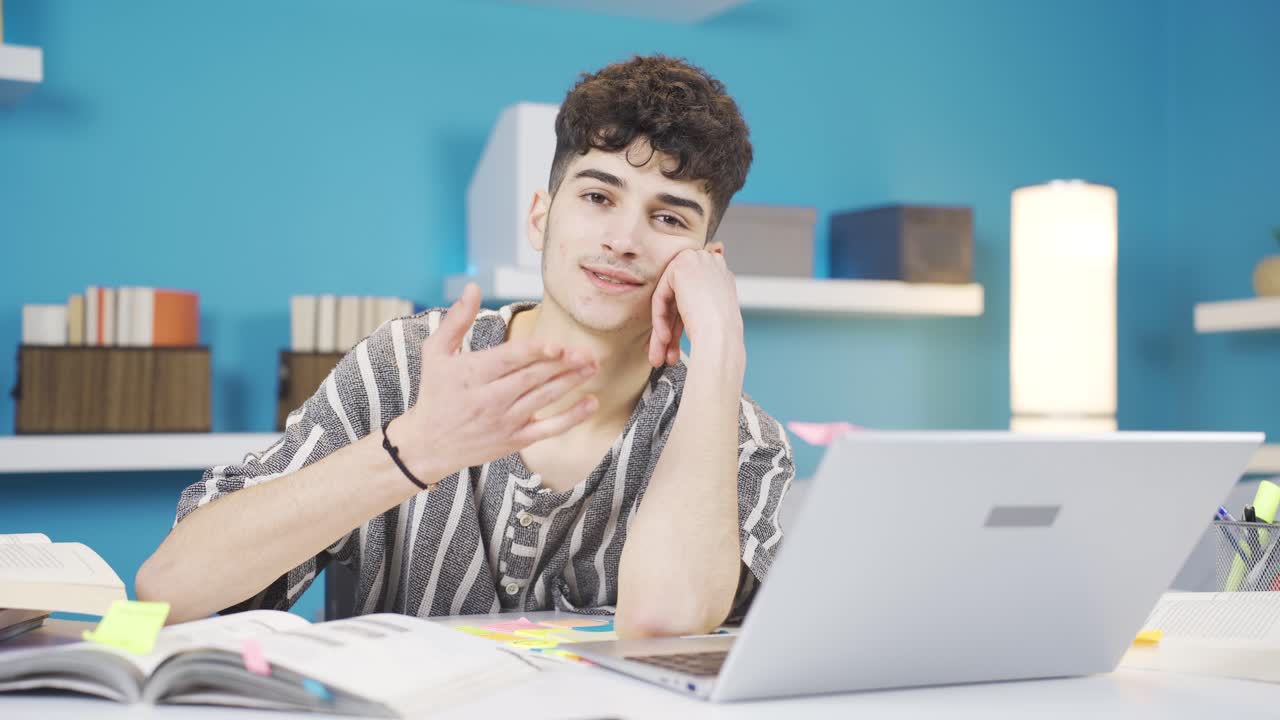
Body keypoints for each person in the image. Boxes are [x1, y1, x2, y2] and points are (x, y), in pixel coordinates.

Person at [137, 54, 794, 639]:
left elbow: (664, 621)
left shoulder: (738, 434)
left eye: (668, 217)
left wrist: (721, 352)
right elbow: (170, 586)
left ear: (707, 263)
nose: (624, 238)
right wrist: (420, 446)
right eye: (598, 196)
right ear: (541, 216)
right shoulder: (402, 363)